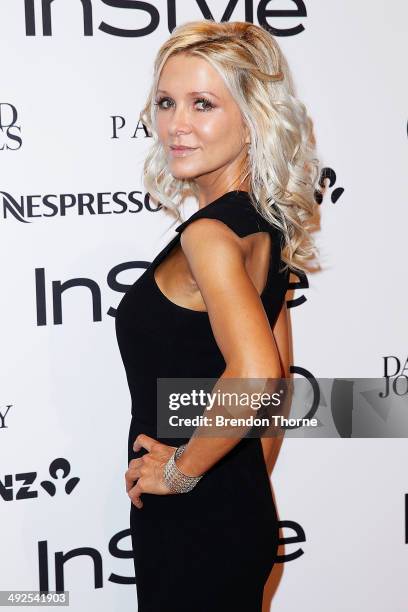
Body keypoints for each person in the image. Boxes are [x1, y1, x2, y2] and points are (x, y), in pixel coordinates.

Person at [115, 19, 320, 612]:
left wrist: (181, 474)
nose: (177, 125)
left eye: (203, 104)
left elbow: (258, 376)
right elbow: (277, 389)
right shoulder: (265, 227)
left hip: (192, 522)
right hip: (237, 511)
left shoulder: (208, 235)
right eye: (166, 102)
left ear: (254, 116)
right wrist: (239, 488)